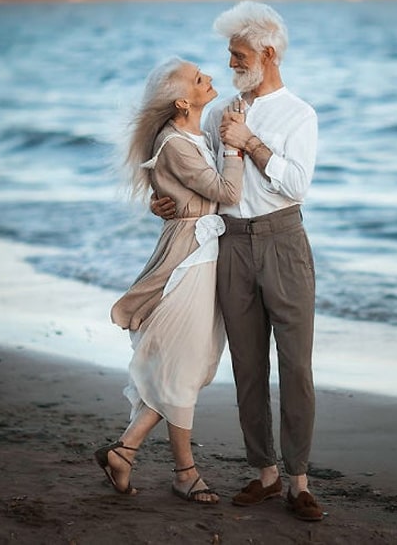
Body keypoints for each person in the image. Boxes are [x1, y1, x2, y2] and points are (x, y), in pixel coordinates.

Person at [151, 1, 322, 521]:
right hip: (230, 242)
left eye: (238, 55)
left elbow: (297, 184)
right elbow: (202, 178)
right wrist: (165, 202)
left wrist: (251, 143)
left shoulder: (300, 113)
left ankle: (298, 480)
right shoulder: (223, 109)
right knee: (247, 364)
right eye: (228, 56)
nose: (230, 65)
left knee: (296, 366)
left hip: (284, 242)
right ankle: (265, 474)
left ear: (267, 54)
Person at [97, 58, 243, 504]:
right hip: (188, 260)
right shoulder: (176, 143)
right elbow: (228, 193)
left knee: (186, 364)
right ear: (183, 101)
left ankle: (125, 451)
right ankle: (185, 472)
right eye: (200, 80)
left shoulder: (196, 133)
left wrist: (167, 201)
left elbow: (180, 193)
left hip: (202, 253)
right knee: (182, 364)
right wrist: (236, 149)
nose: (210, 79)